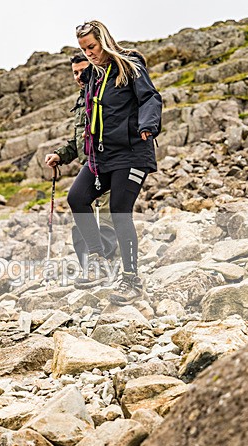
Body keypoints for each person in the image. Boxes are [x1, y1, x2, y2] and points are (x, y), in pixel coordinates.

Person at [67, 20, 162, 303]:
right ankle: (98, 260)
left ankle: (132, 280)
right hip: (102, 156)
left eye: (92, 47)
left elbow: (150, 98)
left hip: (133, 151)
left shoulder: (129, 65)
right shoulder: (94, 76)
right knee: (77, 198)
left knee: (120, 210)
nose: (89, 54)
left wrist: (148, 125)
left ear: (104, 40)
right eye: (84, 50)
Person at [44, 53, 117, 264]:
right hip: (89, 168)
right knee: (82, 212)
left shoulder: (105, 95)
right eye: (75, 72)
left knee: (104, 217)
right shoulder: (82, 98)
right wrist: (60, 154)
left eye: (82, 71)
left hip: (109, 166)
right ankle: (90, 264)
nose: (78, 76)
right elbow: (80, 139)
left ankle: (107, 265)